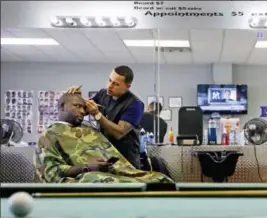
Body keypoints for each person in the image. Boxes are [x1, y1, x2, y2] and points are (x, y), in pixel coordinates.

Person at [34, 93, 172, 184]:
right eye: (77, 106)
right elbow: (51, 172)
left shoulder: (90, 130)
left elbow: (117, 159)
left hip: (113, 174)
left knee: (161, 179)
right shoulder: (50, 135)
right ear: (62, 106)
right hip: (86, 177)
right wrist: (87, 168)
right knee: (104, 181)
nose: (82, 111)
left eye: (84, 108)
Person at [66, 66, 144, 169]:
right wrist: (77, 98)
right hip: (104, 156)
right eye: (110, 80)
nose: (110, 86)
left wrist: (98, 115)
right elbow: (83, 111)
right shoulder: (103, 94)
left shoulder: (135, 104)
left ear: (127, 86)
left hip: (126, 161)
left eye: (115, 84)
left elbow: (119, 133)